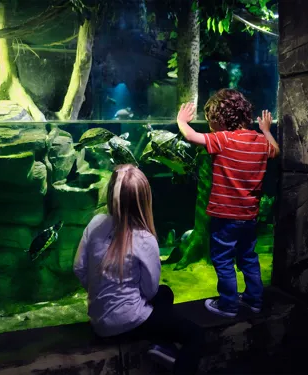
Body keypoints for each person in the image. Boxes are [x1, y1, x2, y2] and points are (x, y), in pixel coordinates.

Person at [73, 164, 203, 374]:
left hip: (98, 322)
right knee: (195, 335)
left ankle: (161, 345)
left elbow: (79, 268)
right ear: (144, 200)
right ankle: (166, 350)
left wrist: (100, 291)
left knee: (165, 293)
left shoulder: (95, 223)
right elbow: (149, 291)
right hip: (127, 324)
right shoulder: (144, 238)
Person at [176, 89, 280, 317]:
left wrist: (181, 121)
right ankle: (254, 300)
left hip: (224, 216)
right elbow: (275, 150)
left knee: (223, 260)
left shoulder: (223, 139)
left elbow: (192, 137)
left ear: (219, 121)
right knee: (248, 257)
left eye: (211, 122)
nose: (210, 127)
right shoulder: (260, 141)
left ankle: (228, 305)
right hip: (249, 217)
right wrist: (265, 130)